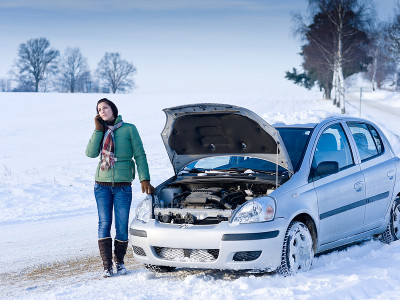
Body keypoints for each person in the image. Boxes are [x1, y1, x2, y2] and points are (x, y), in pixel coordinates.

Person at [86, 98, 154, 278]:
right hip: (101, 185)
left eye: (105, 107)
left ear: (113, 109)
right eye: (99, 109)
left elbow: (140, 154)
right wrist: (97, 130)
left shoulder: (129, 129)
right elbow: (91, 153)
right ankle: (107, 266)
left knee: (122, 225)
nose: (102, 111)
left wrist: (144, 178)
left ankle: (120, 262)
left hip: (123, 186)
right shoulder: (101, 131)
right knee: (104, 224)